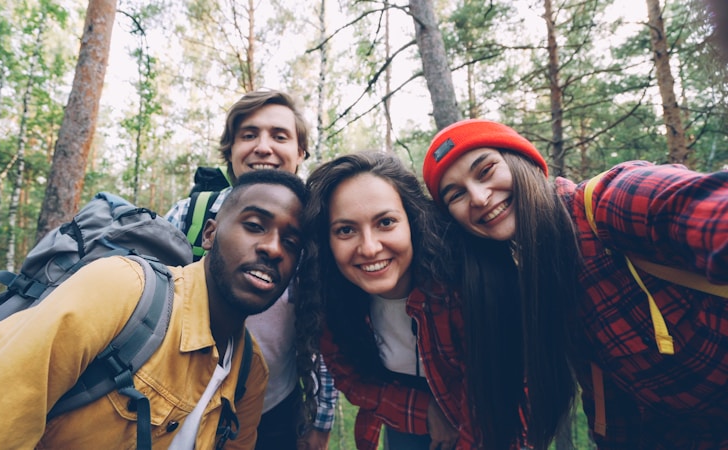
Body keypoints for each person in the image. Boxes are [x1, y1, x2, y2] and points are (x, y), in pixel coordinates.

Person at [0, 170, 309, 449]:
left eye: (291, 242)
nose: (274, 248)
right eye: (255, 225)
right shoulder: (121, 290)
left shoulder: (250, 372)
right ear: (209, 234)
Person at [422, 118, 728, 449]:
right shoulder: (535, 278)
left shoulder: (612, 201)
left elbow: (709, 212)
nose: (479, 198)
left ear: (523, 162)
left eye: (485, 171)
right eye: (456, 195)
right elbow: (612, 400)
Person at [165, 89, 336, 450]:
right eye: (249, 134)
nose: (263, 147)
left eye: (279, 135)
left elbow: (327, 330)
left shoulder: (318, 231)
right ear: (230, 150)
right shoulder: (190, 215)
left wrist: (320, 421)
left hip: (274, 413)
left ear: (300, 153)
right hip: (176, 403)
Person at [296, 151, 474, 450]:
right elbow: (350, 378)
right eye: (346, 230)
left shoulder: (461, 285)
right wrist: (424, 411)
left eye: (386, 222)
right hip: (403, 418)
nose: (369, 248)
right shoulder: (332, 296)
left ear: (413, 220)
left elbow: (503, 392)